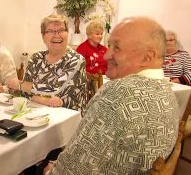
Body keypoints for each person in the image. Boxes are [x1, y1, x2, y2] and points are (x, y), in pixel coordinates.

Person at [45, 17, 179, 174]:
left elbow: (72, 169)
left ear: (147, 57)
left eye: (117, 47)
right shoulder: (167, 90)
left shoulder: (118, 94)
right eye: (109, 46)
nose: (106, 55)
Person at [7, 14, 86, 112]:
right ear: (43, 36)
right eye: (50, 31)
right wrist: (46, 101)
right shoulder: (36, 58)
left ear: (67, 33)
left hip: (68, 120)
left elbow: (56, 90)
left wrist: (20, 85)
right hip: (36, 113)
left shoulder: (76, 60)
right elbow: (25, 93)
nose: (57, 35)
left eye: (61, 30)